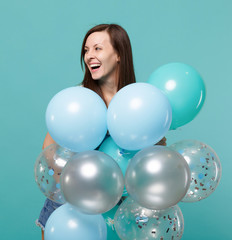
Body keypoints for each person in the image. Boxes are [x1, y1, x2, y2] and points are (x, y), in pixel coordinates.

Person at [36, 23, 166, 239]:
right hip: (70, 208)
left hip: (120, 209)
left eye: (97, 48)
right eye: (86, 50)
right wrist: (70, 181)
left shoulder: (139, 103)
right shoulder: (78, 99)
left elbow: (156, 154)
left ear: (119, 55)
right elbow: (49, 145)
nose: (89, 56)